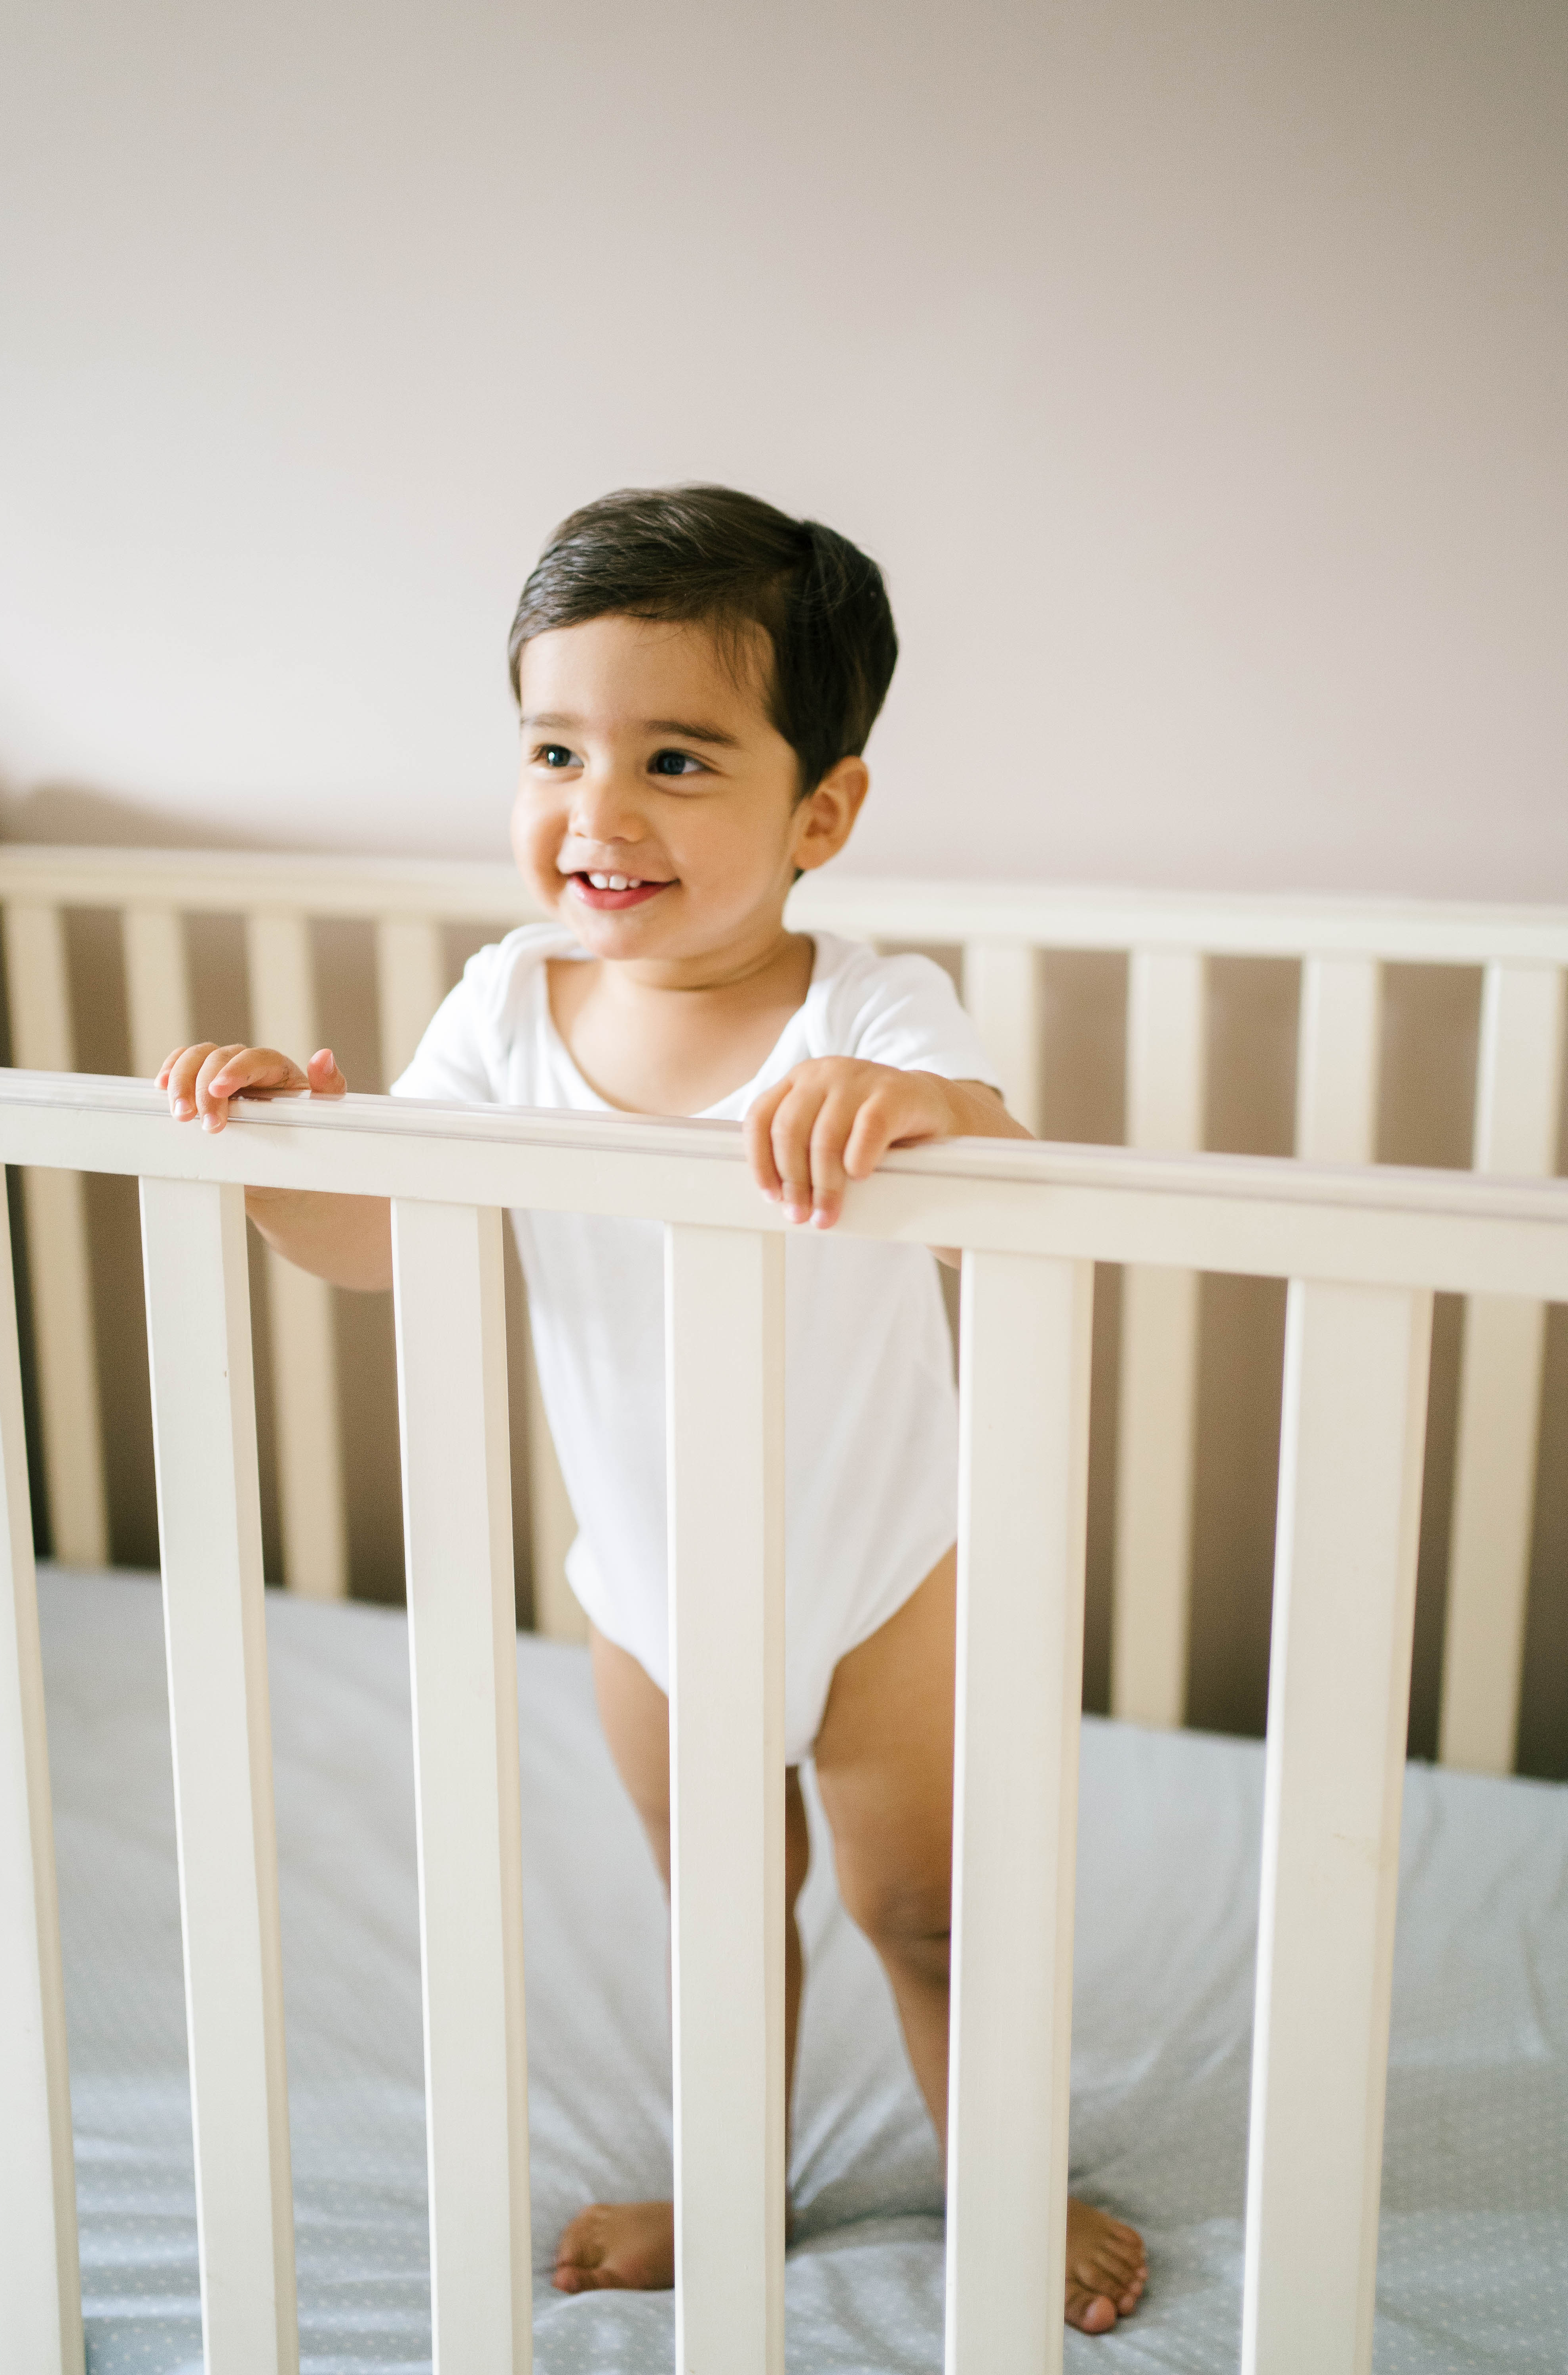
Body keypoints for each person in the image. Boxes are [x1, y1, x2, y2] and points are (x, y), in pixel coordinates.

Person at [158, 484, 1148, 2335]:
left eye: (676, 757)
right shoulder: (505, 1009)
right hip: (649, 1593)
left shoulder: (866, 1013)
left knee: (927, 1914)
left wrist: (916, 1110)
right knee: (720, 1923)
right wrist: (270, 1139)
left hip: (883, 1585)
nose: (596, 813)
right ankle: (728, 2194)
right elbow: (383, 1240)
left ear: (821, 810)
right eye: (554, 749)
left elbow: (1008, 1166)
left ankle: (1003, 2178)